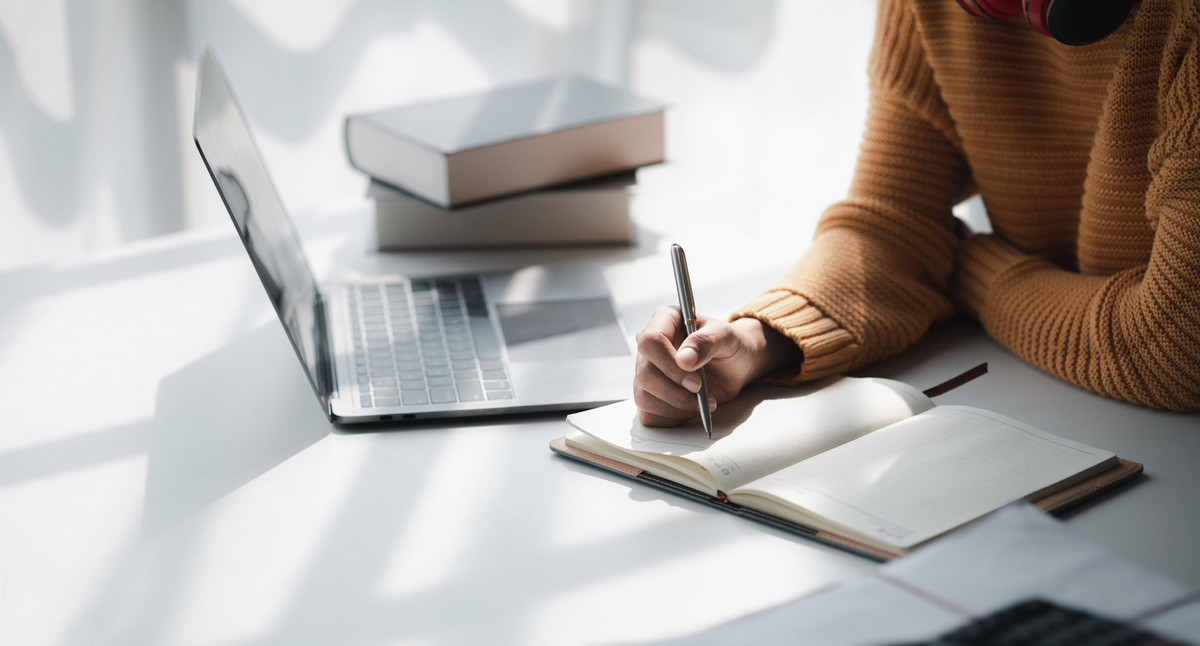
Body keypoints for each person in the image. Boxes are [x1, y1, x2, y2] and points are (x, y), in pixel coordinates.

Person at [634, 0, 1200, 426]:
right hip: (1074, 410)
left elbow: (1175, 342)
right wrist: (755, 341)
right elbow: (894, 222)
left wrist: (976, 271)